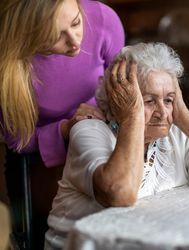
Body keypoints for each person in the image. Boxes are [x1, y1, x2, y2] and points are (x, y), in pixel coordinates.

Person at [45, 42, 189, 249]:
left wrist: (185, 117)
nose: (163, 113)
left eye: (169, 100)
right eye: (149, 101)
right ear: (120, 100)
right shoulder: (90, 130)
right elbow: (120, 193)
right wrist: (132, 116)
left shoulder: (173, 135)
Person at [0, 0, 124, 248]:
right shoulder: (6, 55)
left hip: (98, 144)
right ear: (26, 37)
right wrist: (66, 129)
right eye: (53, 38)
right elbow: (17, 139)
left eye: (76, 23)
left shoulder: (103, 19)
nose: (75, 42)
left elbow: (121, 90)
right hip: (36, 164)